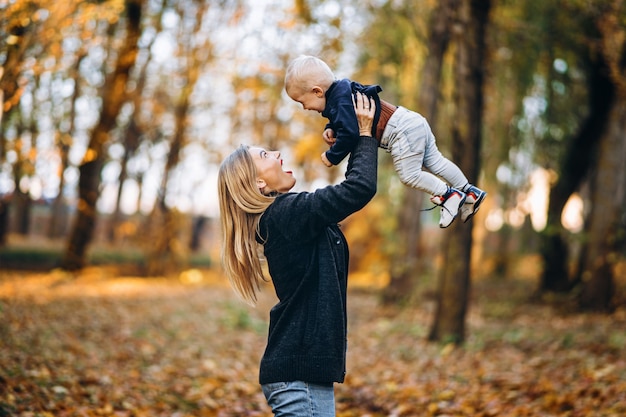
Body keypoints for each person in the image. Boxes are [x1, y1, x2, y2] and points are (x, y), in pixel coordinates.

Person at [217, 92, 377, 417]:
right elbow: (358, 188)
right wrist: (363, 135)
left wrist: (342, 143)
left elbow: (338, 200)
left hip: (302, 375)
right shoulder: (285, 215)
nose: (277, 153)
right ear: (259, 182)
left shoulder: (284, 218)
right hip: (298, 378)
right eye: (265, 154)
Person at [284, 55, 487, 228]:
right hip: (411, 121)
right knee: (436, 161)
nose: (304, 108)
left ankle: (448, 195)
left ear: (317, 92)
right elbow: (343, 121)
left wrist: (332, 156)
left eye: (302, 102)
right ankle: (470, 191)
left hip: (400, 132)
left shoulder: (340, 101)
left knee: (410, 175)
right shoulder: (342, 94)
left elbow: (351, 135)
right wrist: (330, 128)